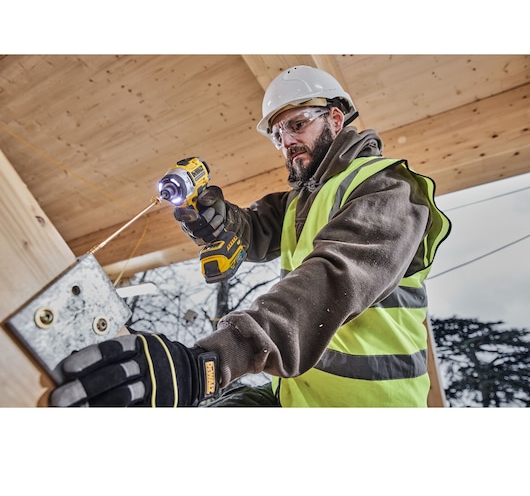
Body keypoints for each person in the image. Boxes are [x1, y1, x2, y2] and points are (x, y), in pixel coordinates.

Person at [50, 65, 451, 408]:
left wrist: (213, 360)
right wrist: (222, 222)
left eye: (297, 124)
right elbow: (255, 229)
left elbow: (332, 281)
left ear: (334, 119)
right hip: (295, 395)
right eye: (278, 135)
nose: (287, 142)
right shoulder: (301, 200)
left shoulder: (388, 190)